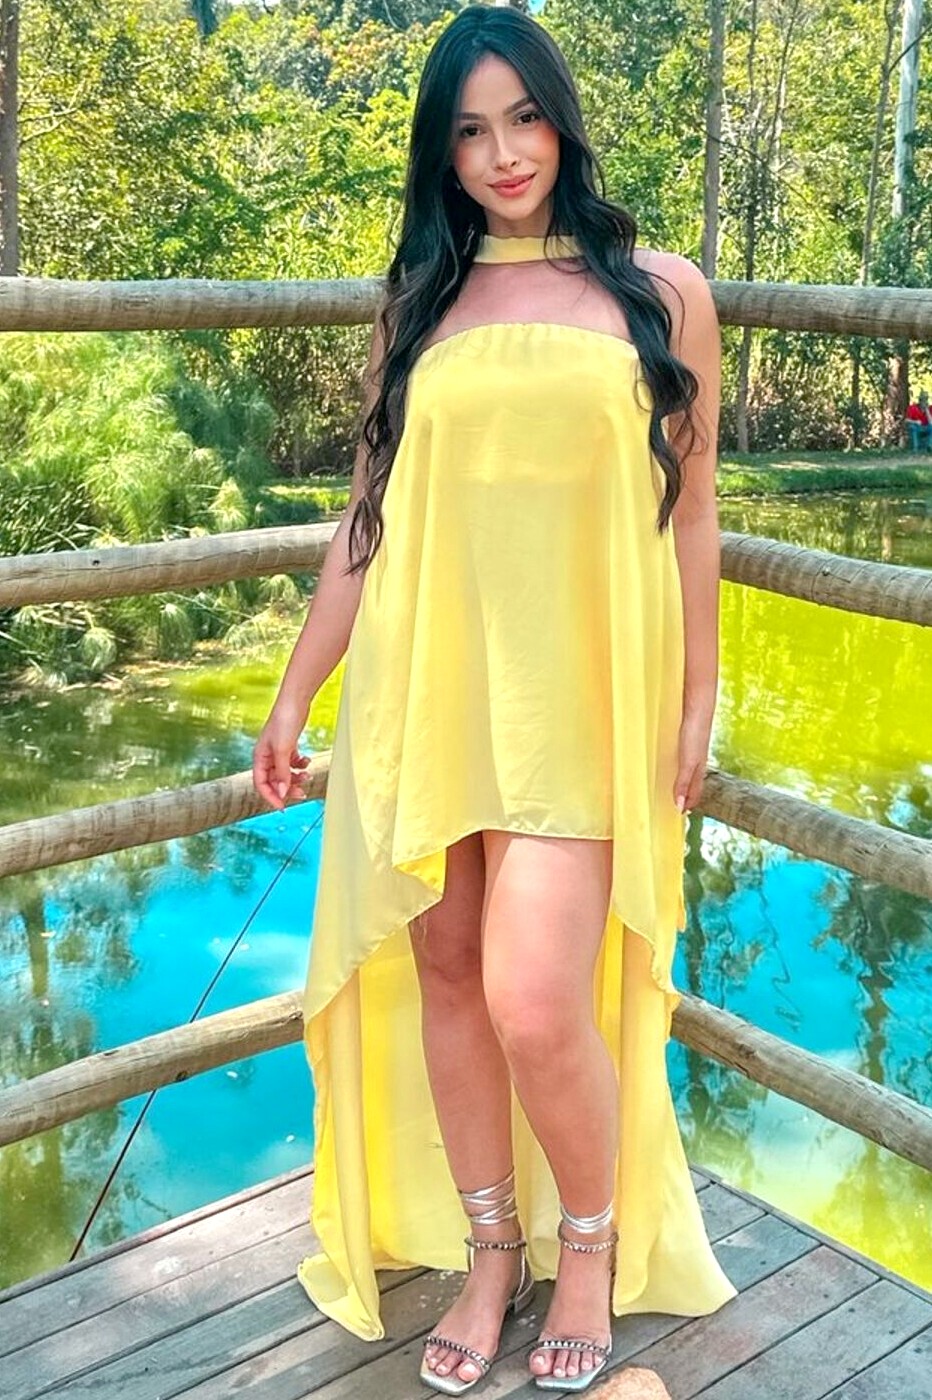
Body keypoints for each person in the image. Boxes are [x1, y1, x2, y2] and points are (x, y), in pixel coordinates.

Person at [252, 4, 736, 1394]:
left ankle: (589, 1247)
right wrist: (296, 691)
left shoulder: (661, 290)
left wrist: (698, 693)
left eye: (523, 117)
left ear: (562, 120)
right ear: (442, 153)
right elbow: (366, 522)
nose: (503, 152)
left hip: (577, 697)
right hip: (425, 689)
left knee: (535, 998)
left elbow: (695, 508)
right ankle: (489, 1252)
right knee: (448, 973)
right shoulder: (422, 300)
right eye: (470, 131)